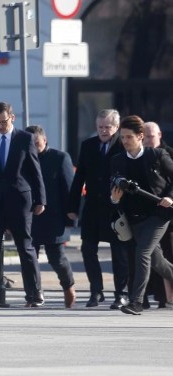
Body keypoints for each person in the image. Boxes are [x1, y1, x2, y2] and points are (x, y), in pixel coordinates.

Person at [0, 101, 46, 309]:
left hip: (19, 200)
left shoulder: (25, 139)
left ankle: (34, 293)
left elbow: (35, 170)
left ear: (12, 118)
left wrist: (41, 199)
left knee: (25, 246)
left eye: (3, 122)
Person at [109, 115, 173, 315]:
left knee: (142, 253)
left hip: (159, 214)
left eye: (129, 137)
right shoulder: (117, 161)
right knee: (157, 262)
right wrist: (115, 199)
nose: (124, 141)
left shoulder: (157, 155)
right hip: (133, 218)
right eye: (122, 137)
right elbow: (112, 191)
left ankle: (136, 301)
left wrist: (170, 197)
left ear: (140, 137)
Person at [68, 109, 129, 308]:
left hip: (116, 208)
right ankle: (96, 291)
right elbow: (79, 178)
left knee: (119, 252)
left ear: (116, 127)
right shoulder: (88, 145)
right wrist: (73, 206)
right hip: (93, 207)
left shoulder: (123, 146)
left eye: (108, 127)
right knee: (87, 249)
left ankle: (121, 293)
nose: (103, 131)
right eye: (100, 127)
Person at [25, 125, 77, 308]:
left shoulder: (60, 158)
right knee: (29, 258)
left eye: (37, 143)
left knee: (57, 258)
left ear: (44, 141)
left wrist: (71, 218)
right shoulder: (22, 159)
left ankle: (68, 287)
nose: (34, 147)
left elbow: (69, 189)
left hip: (54, 217)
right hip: (29, 217)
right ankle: (33, 294)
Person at [142, 121, 173, 308]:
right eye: (144, 136)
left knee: (167, 253)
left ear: (159, 135)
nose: (147, 140)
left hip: (167, 212)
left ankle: (166, 297)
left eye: (150, 136)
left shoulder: (168, 154)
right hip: (147, 214)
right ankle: (149, 295)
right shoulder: (138, 156)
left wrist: (169, 197)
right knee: (150, 254)